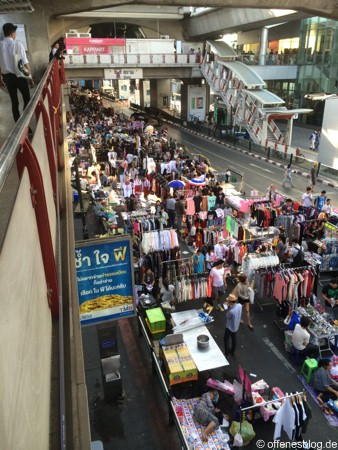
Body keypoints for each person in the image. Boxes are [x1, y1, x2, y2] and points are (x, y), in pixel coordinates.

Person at [0, 23, 34, 122]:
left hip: (7, 78)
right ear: (12, 33)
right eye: (15, 33)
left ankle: (18, 123)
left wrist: (0, 79)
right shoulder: (18, 44)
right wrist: (30, 78)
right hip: (20, 76)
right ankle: (25, 121)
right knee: (27, 99)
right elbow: (25, 61)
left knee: (14, 102)